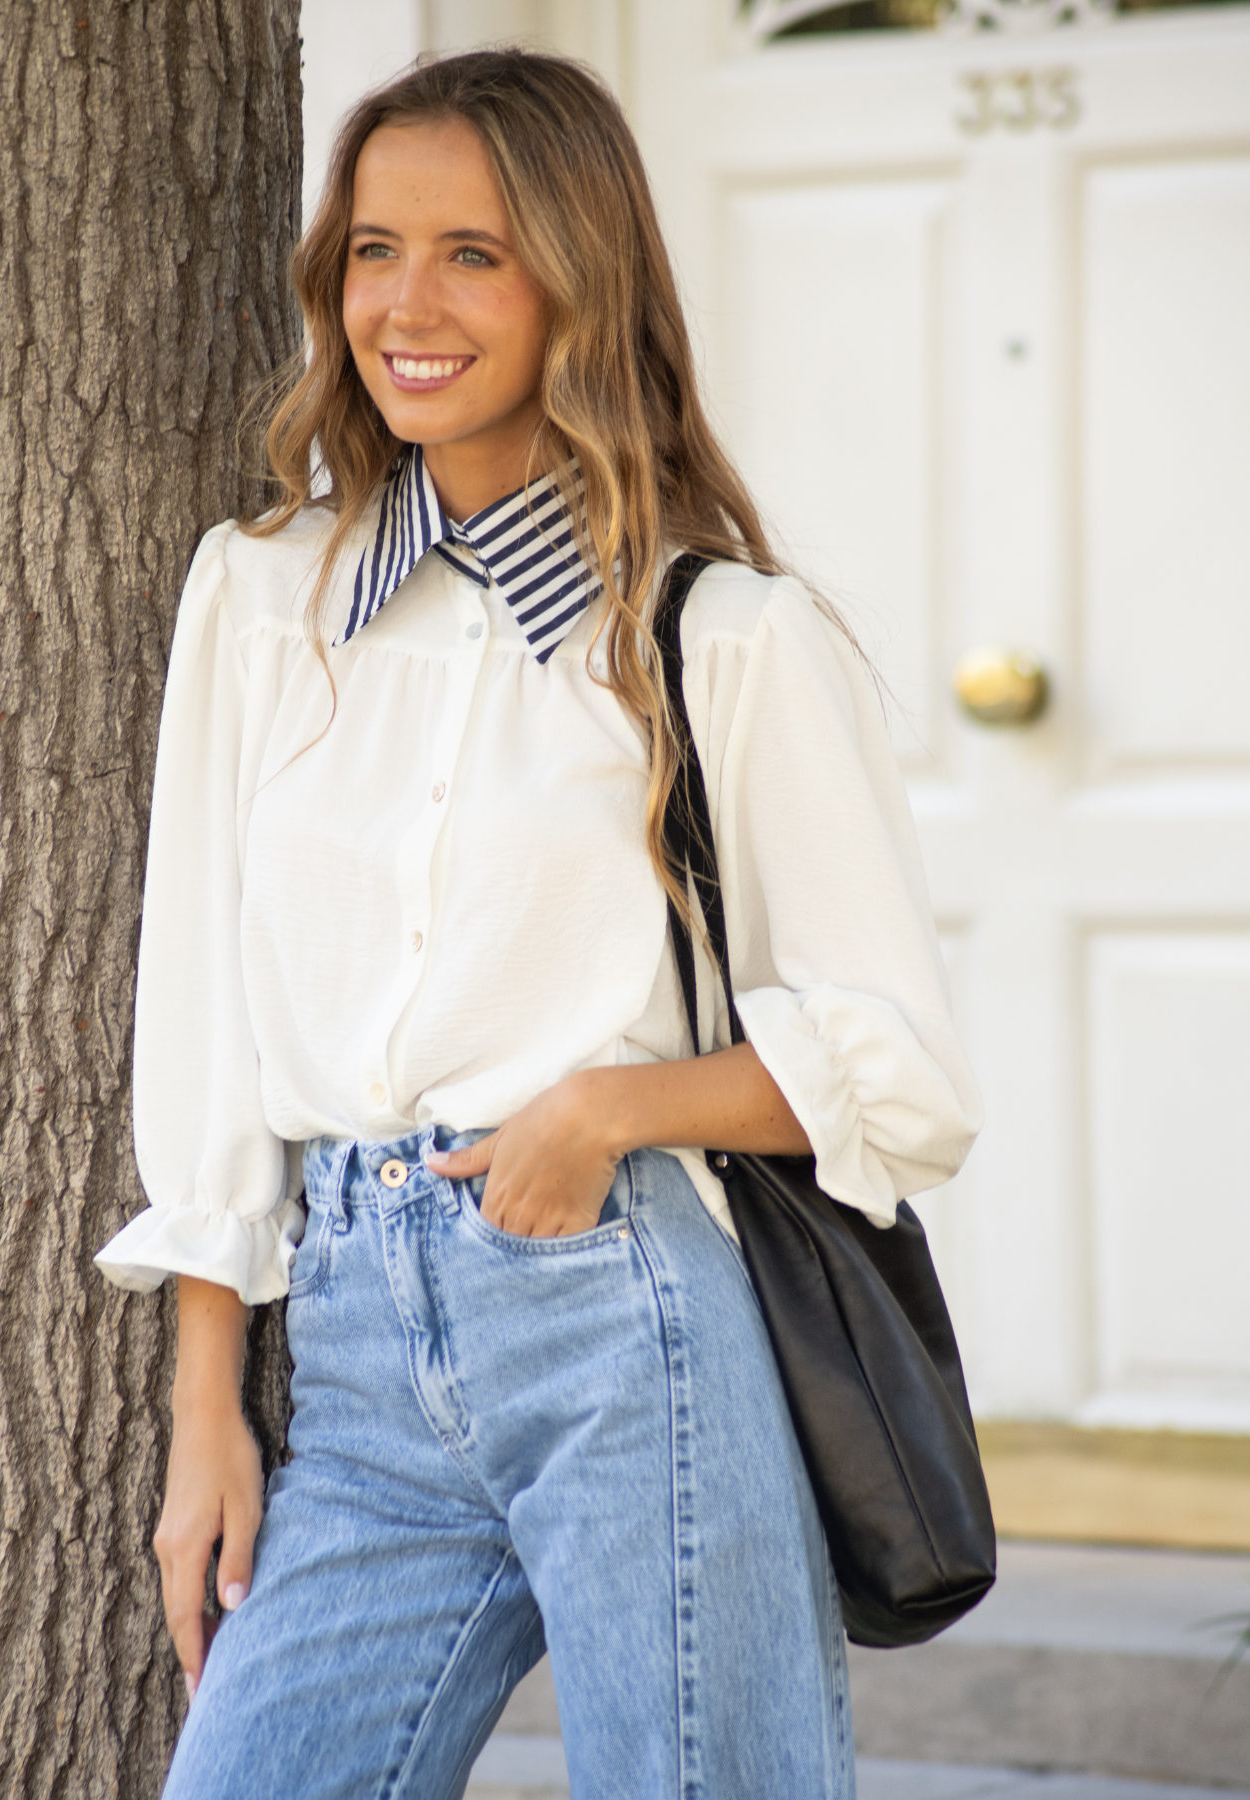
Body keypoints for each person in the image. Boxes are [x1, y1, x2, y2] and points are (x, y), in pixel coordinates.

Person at [95, 47, 981, 1800]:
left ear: (579, 275)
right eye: (371, 250)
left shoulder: (714, 637)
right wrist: (210, 1402)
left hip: (624, 1319)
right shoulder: (268, 601)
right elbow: (198, 1011)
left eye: (473, 254)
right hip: (350, 1351)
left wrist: (605, 1109)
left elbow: (900, 1068)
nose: (405, 305)